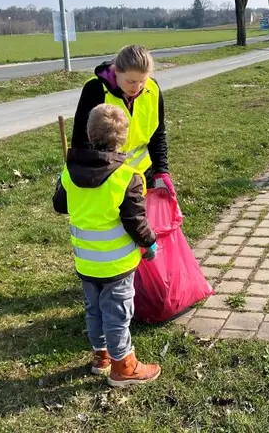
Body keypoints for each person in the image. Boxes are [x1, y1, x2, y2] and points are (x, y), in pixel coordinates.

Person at [53, 104, 161, 387]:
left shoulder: (70, 173)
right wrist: (150, 243)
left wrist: (63, 181)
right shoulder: (127, 177)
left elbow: (60, 205)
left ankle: (101, 356)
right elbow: (135, 222)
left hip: (86, 263)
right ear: (123, 139)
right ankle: (123, 366)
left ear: (89, 134)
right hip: (116, 266)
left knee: (94, 310)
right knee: (117, 314)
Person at [71, 45, 175, 198]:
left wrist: (161, 171)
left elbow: (157, 134)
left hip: (142, 176)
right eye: (130, 81)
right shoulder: (95, 89)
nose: (137, 87)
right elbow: (81, 139)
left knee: (141, 214)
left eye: (143, 81)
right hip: (107, 177)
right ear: (116, 71)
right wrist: (93, 177)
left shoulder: (153, 89)